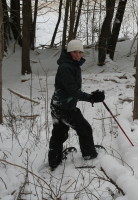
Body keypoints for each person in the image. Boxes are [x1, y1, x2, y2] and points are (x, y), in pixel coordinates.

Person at [49, 39, 105, 169]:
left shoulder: (71, 65)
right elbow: (73, 91)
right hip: (64, 108)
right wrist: (91, 98)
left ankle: (54, 161)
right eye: (75, 52)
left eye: (80, 52)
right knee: (84, 129)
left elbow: (71, 90)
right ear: (69, 52)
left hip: (58, 105)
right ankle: (89, 155)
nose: (78, 55)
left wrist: (90, 96)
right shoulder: (66, 67)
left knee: (59, 134)